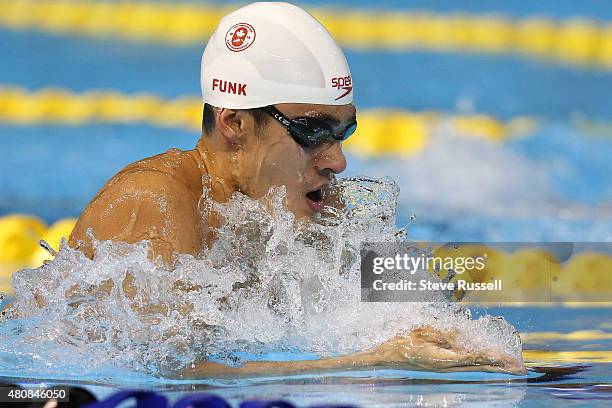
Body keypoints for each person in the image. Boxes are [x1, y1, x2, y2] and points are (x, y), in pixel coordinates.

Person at [48, 2, 528, 376]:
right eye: (312, 130)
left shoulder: (307, 207)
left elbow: (417, 304)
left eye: (343, 133)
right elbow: (172, 374)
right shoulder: (157, 203)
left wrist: (455, 337)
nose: (336, 161)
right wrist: (373, 360)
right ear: (234, 122)